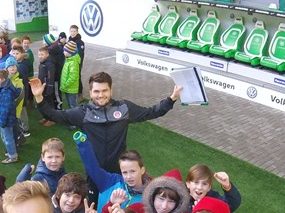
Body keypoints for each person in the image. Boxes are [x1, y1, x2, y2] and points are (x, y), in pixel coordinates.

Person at [30, 71, 182, 175]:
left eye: (104, 91)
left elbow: (152, 112)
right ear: (90, 93)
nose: (100, 95)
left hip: (119, 170)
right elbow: (53, 115)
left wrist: (172, 99)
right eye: (96, 91)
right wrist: (39, 97)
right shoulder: (82, 113)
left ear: (111, 90)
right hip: (93, 171)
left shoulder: (124, 108)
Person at [72, 132, 150, 213]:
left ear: (142, 170)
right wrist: (83, 144)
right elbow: (92, 167)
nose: (128, 177)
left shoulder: (150, 197)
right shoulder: (111, 181)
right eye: (124, 172)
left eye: (133, 171)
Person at [0, 69, 23, 164]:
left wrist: (2, 121)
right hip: (10, 118)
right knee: (10, 135)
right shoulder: (7, 87)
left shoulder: (6, 92)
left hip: (6, 119)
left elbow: (6, 108)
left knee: (6, 137)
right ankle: (12, 151)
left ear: (3, 79)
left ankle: (13, 156)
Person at [36, 45, 57, 122]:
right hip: (42, 87)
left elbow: (51, 78)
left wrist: (49, 90)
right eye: (39, 54)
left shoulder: (50, 64)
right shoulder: (42, 63)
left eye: (42, 54)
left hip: (48, 88)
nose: (40, 56)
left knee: (49, 104)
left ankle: (52, 120)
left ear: (47, 54)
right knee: (43, 103)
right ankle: (46, 117)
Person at [59, 41, 81, 111]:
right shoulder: (68, 60)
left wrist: (65, 85)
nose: (63, 52)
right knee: (70, 104)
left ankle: (77, 118)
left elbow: (73, 77)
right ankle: (72, 117)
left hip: (71, 89)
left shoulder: (73, 63)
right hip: (67, 88)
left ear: (70, 52)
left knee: (73, 105)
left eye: (65, 51)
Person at [68, 24, 85, 96]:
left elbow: (80, 55)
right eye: (71, 31)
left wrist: (77, 63)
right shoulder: (69, 40)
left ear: (77, 32)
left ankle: (80, 92)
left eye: (74, 31)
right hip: (69, 62)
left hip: (76, 63)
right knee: (71, 76)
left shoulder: (80, 42)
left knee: (77, 76)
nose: (73, 33)